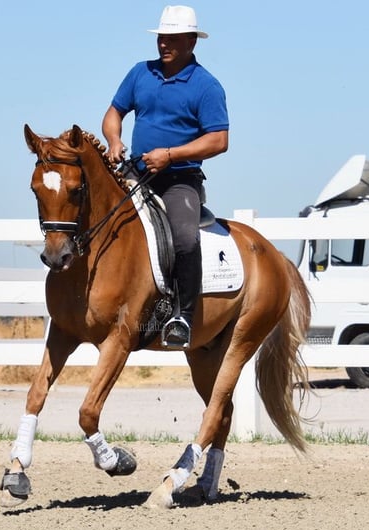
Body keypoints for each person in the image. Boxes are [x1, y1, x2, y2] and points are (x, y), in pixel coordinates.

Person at [102, 5, 229, 349]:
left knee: (185, 239)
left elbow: (219, 140)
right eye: (161, 38)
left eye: (172, 39)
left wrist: (170, 155)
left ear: (191, 42)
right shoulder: (140, 73)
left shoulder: (206, 86)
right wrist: (114, 140)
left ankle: (182, 316)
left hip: (179, 181)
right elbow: (114, 112)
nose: (164, 44)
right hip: (135, 174)